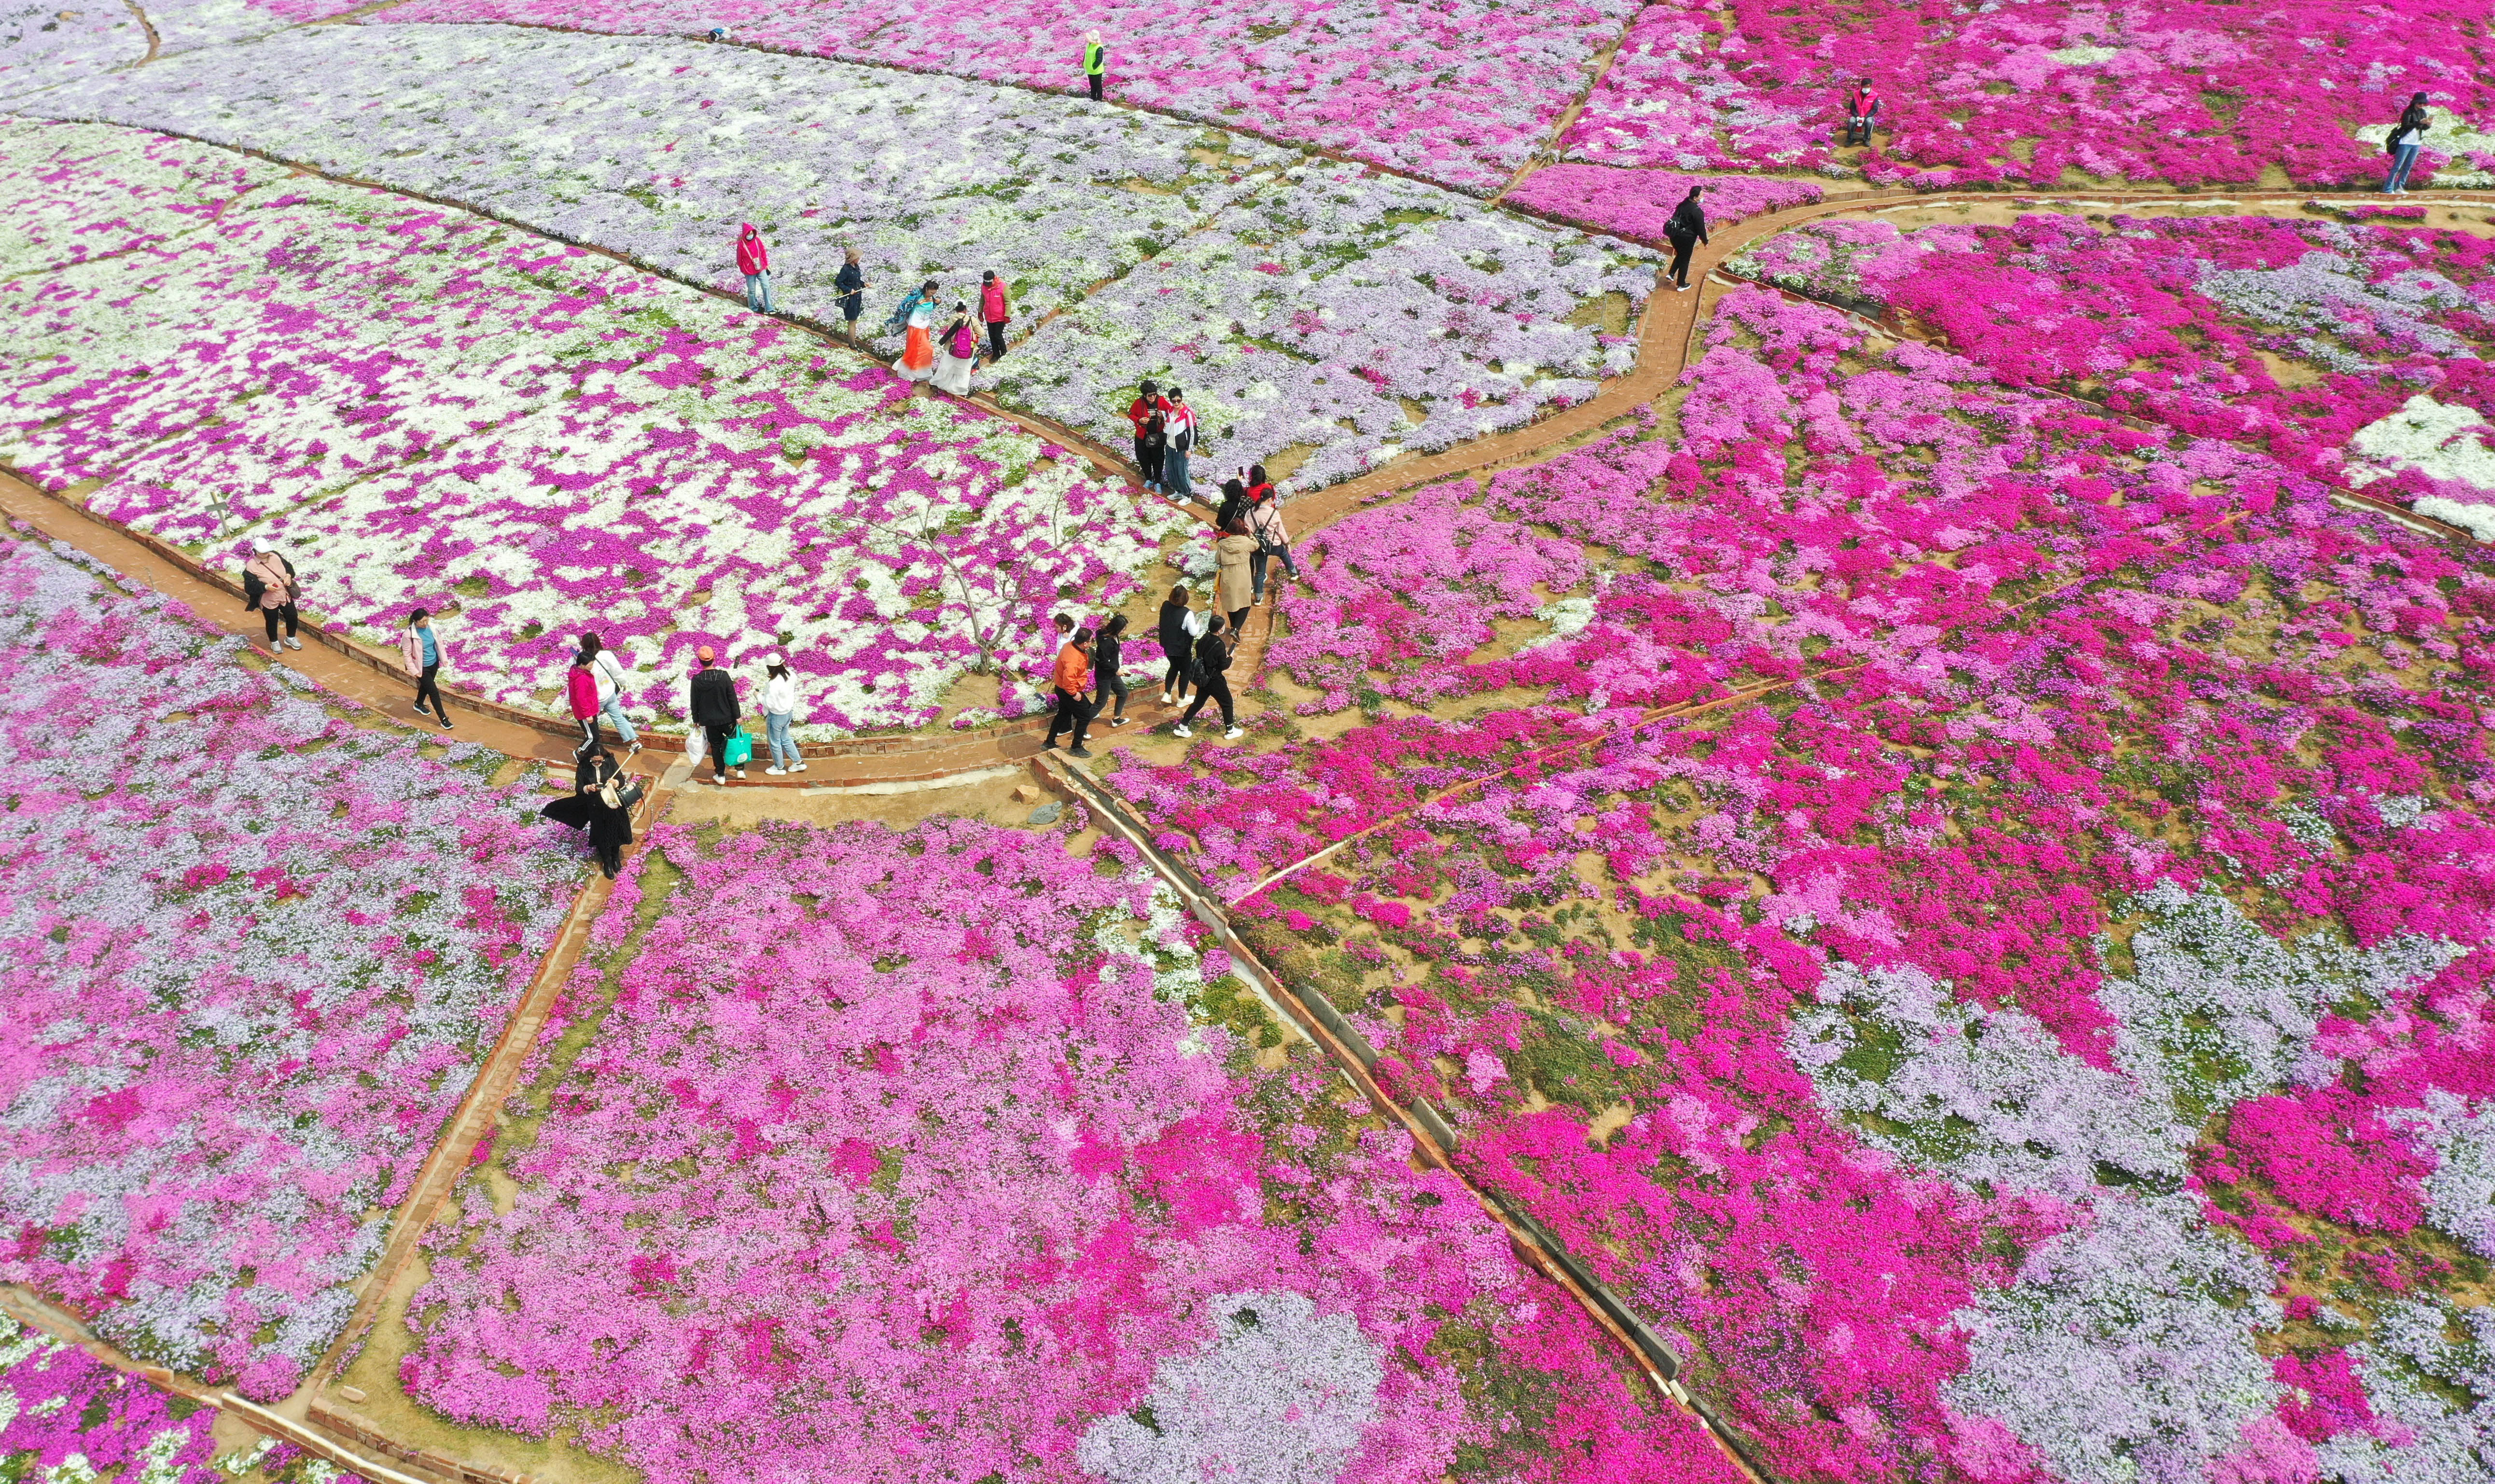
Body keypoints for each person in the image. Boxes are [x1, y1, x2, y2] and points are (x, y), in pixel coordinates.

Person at [542, 745, 636, 878]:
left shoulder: (610, 762)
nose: (597, 763)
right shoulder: (584, 766)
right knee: (602, 834)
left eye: (600, 761)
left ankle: (615, 857)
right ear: (590, 758)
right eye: (595, 761)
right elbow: (579, 789)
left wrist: (615, 783)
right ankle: (607, 862)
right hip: (596, 804)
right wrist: (588, 788)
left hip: (612, 801)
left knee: (616, 830)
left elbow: (621, 780)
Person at [1172, 612, 1239, 739]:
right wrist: (1230, 658)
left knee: (1198, 702)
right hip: (1214, 679)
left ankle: (1183, 726)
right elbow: (1223, 665)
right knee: (1227, 703)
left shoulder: (1203, 638)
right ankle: (1230, 730)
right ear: (1220, 629)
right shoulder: (1219, 645)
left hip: (1203, 677)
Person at [688, 644, 742, 785]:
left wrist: (696, 719)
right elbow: (732, 697)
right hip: (727, 718)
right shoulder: (723, 676)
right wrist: (737, 716)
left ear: (700, 661)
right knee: (735, 741)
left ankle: (721, 775)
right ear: (714, 659)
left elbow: (694, 702)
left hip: (710, 721)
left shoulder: (696, 680)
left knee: (716, 747)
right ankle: (740, 769)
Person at [581, 632, 640, 756]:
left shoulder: (580, 659)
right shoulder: (606, 655)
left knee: (592, 722)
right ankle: (634, 742)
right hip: (610, 692)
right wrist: (623, 683)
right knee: (618, 718)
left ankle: (593, 747)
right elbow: (617, 671)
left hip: (596, 698)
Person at [239, 543, 303, 652]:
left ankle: (291, 638)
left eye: (267, 552)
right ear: (256, 551)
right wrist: (266, 587)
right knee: (272, 621)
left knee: (292, 616)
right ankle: (274, 642)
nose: (266, 554)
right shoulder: (251, 566)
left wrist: (288, 576)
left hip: (284, 595)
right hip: (269, 599)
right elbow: (249, 587)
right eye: (263, 552)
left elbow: (288, 567)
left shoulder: (275, 556)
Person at [1045, 625, 1096, 756]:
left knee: (1063, 713)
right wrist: (1074, 694)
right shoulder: (1073, 660)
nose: (1092, 643)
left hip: (1061, 688)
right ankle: (1076, 747)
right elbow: (1069, 681)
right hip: (1069, 690)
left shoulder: (1070, 645)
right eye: (1091, 641)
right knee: (1085, 717)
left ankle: (1050, 741)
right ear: (1085, 643)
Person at [399, 608, 452, 730]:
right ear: (415, 621)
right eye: (422, 622)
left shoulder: (431, 628)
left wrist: (443, 659)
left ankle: (418, 704)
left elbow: (439, 643)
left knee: (426, 686)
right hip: (421, 667)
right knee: (433, 691)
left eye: (427, 620)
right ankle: (444, 719)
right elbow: (407, 654)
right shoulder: (409, 634)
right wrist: (415, 671)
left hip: (434, 664)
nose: (425, 624)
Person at [1248, 485, 1298, 603]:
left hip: (1258, 546)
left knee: (1260, 572)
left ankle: (1258, 598)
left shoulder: (1250, 513)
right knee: (1284, 554)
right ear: (1270, 500)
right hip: (1274, 544)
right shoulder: (1274, 513)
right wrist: (1287, 543)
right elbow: (1281, 531)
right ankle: (1293, 572)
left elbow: (1248, 530)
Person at [759, 652, 805, 775]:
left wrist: (758, 696)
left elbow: (769, 704)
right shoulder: (791, 674)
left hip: (776, 716)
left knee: (774, 742)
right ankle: (798, 763)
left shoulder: (773, 684)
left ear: (769, 667)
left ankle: (779, 767)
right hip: (788, 713)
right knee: (785, 738)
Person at [1157, 584, 1197, 705]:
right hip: (1182, 649)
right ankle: (1182, 699)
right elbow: (1193, 632)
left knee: (1174, 667)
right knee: (1185, 672)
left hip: (1168, 646)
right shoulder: (1187, 614)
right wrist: (1199, 625)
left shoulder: (1165, 605)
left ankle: (1167, 694)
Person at [894, 279, 939, 386]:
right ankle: (911, 371)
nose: (933, 294)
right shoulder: (917, 296)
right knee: (921, 349)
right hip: (915, 326)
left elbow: (931, 307)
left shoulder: (931, 298)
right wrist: (917, 302)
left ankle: (921, 372)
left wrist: (937, 303)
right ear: (927, 289)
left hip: (924, 327)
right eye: (931, 292)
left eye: (935, 293)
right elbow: (905, 305)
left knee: (922, 349)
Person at [1664, 184, 1708, 292]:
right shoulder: (1697, 212)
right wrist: (1705, 241)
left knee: (1680, 255)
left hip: (1675, 236)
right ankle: (1681, 284)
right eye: (1701, 195)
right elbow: (1700, 229)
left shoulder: (1683, 204)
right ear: (1695, 198)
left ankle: (1671, 274)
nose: (1703, 196)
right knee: (1685, 260)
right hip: (1687, 239)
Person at [1215, 523, 1256, 633]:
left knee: (1231, 604)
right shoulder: (1247, 542)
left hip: (1228, 576)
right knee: (1245, 604)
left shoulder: (1222, 544)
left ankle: (1234, 626)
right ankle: (1236, 629)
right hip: (1243, 576)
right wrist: (1250, 535)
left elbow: (1218, 560)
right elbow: (1257, 545)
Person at [2385, 93, 2430, 193]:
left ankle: (2399, 188)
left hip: (2416, 143)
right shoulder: (2408, 112)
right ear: (2415, 103)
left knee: (2408, 167)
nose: (2422, 105)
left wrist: (2428, 125)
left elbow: (2424, 128)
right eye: (2420, 103)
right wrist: (2419, 123)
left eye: (2423, 104)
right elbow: (2405, 126)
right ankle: (2388, 189)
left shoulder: (2423, 112)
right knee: (2397, 166)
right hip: (2405, 142)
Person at [1127, 380, 1168, 490]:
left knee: (1158, 459)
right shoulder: (1139, 403)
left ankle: (1158, 482)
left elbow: (1171, 412)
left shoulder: (1162, 401)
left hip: (1157, 436)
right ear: (1144, 395)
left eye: (1155, 394)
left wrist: (1163, 415)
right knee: (1143, 458)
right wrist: (1139, 420)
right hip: (1143, 436)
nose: (1153, 397)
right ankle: (1149, 479)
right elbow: (1130, 414)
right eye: (1150, 395)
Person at [1093, 612, 1131, 728]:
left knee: (1123, 693)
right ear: (1116, 628)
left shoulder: (1113, 635)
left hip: (1112, 672)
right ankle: (1083, 721)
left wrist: (1117, 669)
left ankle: (1117, 719)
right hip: (1104, 675)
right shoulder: (1106, 642)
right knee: (1101, 703)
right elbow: (1104, 662)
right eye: (1123, 629)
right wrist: (1116, 669)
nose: (1124, 631)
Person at [935, 301, 979, 395]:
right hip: (968, 349)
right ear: (965, 309)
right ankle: (960, 389)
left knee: (948, 366)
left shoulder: (953, 318)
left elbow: (950, 331)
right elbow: (982, 333)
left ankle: (942, 384)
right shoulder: (972, 320)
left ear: (955, 309)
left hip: (953, 347)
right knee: (964, 369)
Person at [1162, 387, 1197, 499]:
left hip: (1181, 448)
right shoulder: (1170, 412)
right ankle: (1178, 491)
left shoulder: (1188, 413)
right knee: (1171, 470)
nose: (1176, 403)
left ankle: (1187, 495)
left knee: (1182, 471)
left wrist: (1189, 449)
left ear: (1182, 399)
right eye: (1174, 401)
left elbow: (1192, 432)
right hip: (1170, 446)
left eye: (1179, 400)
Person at [565, 651, 601, 750]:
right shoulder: (581, 679)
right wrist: (587, 715)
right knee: (592, 737)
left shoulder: (584, 674)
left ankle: (591, 753)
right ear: (582, 665)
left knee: (595, 735)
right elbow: (581, 699)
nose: (592, 667)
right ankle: (579, 752)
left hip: (591, 709)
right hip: (585, 713)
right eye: (590, 665)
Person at [736, 223, 773, 313]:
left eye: (752, 233)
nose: (750, 235)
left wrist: (766, 263)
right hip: (749, 270)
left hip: (761, 267)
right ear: (745, 234)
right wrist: (743, 269)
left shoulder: (757, 241)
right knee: (752, 290)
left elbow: (763, 251)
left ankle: (769, 308)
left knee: (766, 286)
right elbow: (739, 259)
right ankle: (754, 308)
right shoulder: (741, 244)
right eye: (749, 234)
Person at [836, 248, 869, 343]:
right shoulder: (846, 269)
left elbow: (856, 280)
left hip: (857, 297)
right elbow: (838, 282)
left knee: (854, 320)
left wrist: (864, 284)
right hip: (850, 299)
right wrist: (849, 290)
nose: (859, 259)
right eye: (858, 257)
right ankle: (852, 344)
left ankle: (852, 343)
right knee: (852, 321)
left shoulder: (856, 267)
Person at [979, 269, 1012, 362]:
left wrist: (1007, 315)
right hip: (989, 316)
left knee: (998, 335)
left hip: (1000, 316)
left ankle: (1004, 352)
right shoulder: (984, 287)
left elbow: (1008, 302)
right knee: (992, 336)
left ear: (994, 279)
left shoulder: (1003, 287)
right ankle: (996, 354)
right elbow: (982, 299)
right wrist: (980, 312)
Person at [1843, 78, 1879, 147]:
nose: (1866, 88)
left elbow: (1875, 109)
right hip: (1857, 115)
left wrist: (1865, 117)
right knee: (1851, 121)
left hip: (1868, 116)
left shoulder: (1874, 95)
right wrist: (1857, 116)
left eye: (1868, 87)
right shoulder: (1856, 94)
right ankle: (1850, 139)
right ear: (1861, 86)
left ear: (1871, 86)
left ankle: (1867, 139)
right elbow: (1852, 107)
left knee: (1869, 122)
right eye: (1864, 87)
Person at [1083, 29, 1106, 102]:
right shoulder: (1089, 45)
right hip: (1090, 69)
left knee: (1098, 85)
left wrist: (1094, 67)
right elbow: (1086, 55)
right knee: (1092, 85)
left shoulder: (1099, 47)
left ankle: (1099, 99)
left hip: (1096, 70)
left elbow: (1099, 59)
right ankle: (1093, 98)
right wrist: (1084, 62)